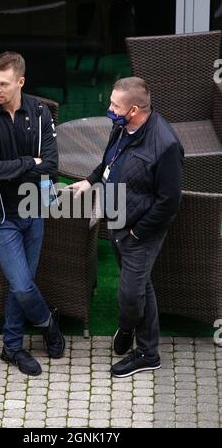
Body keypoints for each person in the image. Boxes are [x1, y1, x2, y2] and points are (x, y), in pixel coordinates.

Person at [68, 77, 184, 378]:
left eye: (114, 105)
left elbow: (169, 202)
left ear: (133, 110)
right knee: (141, 285)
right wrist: (91, 180)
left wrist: (137, 232)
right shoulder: (121, 126)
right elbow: (110, 160)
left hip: (140, 231)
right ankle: (140, 338)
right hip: (118, 218)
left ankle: (144, 349)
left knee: (131, 294)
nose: (108, 108)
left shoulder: (166, 144)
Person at [0, 51, 65, 377]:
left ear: (20, 82)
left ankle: (11, 347)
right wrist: (29, 162)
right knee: (22, 286)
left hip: (34, 208)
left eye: (4, 83)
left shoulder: (40, 113)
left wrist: (7, 166)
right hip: (1, 216)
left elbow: (52, 165)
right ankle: (49, 324)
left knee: (19, 283)